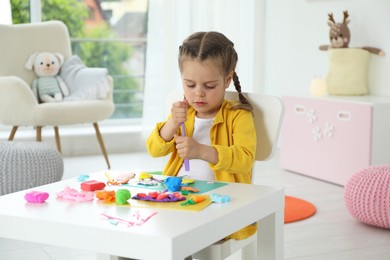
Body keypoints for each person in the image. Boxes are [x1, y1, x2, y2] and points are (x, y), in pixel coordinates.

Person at [146, 31, 257, 240]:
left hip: (221, 202)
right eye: (190, 85)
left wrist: (201, 151)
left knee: (181, 235)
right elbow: (153, 149)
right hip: (177, 197)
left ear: (227, 79)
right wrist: (171, 123)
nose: (198, 93)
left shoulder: (238, 115)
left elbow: (244, 160)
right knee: (145, 232)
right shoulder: (184, 113)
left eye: (209, 86)